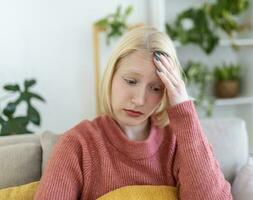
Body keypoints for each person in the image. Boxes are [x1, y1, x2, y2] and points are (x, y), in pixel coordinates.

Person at [34, 26, 233, 199]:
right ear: (111, 76)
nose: (139, 100)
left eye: (156, 88)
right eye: (130, 81)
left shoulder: (178, 141)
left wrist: (184, 111)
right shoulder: (77, 144)